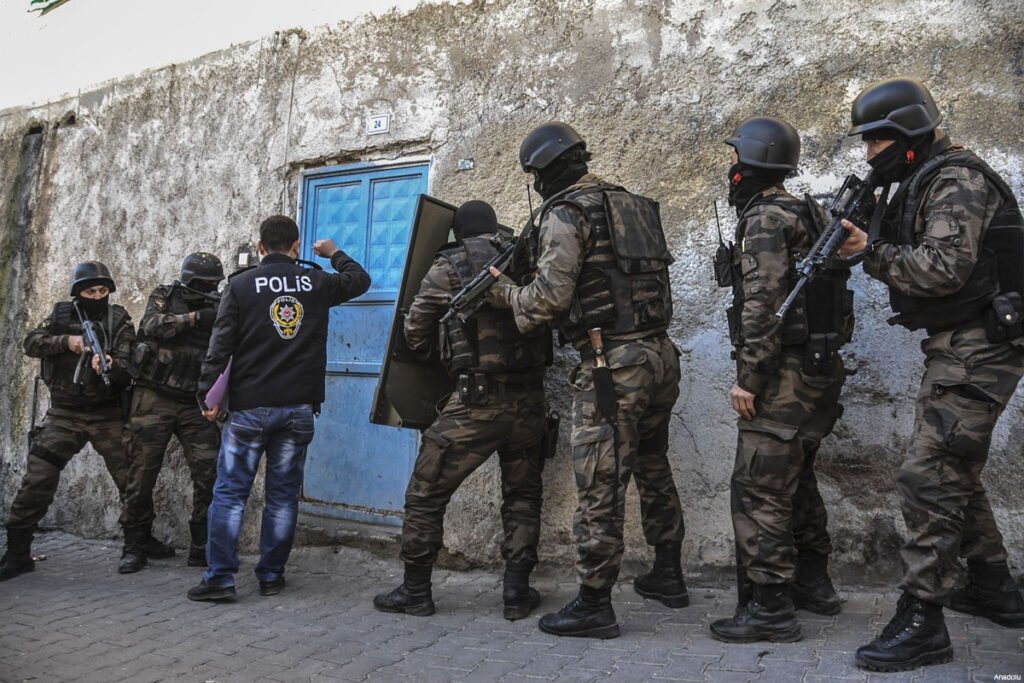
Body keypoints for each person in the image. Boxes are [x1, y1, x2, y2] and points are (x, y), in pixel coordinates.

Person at [837, 77, 1024, 671]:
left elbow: (942, 269)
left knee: (930, 476)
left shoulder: (956, 179)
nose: (871, 153)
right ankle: (993, 587)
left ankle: (923, 621)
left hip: (980, 345)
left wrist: (868, 252)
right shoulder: (928, 177)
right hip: (964, 343)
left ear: (910, 133)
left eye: (877, 140)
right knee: (954, 468)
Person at [488, 122, 686, 638]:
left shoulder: (567, 212)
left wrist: (505, 293)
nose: (536, 185)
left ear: (548, 170)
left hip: (611, 365)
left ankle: (594, 604)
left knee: (599, 482)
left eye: (535, 175)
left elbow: (547, 301)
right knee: (653, 465)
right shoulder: (633, 205)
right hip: (660, 355)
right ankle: (668, 575)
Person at [708, 117, 854, 644]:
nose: (730, 168)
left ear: (749, 163)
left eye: (734, 158)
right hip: (819, 370)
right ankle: (813, 585)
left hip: (783, 375)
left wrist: (749, 377)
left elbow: (763, 304)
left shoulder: (765, 218)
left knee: (759, 488)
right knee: (799, 479)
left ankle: (770, 607)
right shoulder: (807, 211)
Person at [373, 200, 552, 621]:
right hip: (530, 401)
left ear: (459, 233)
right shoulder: (530, 258)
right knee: (523, 497)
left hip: (476, 402)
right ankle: (517, 593)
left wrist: (437, 355)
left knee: (426, 493)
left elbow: (416, 328)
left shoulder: (450, 265)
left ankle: (416, 590)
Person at [186, 215, 370, 601]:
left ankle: (220, 580)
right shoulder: (316, 281)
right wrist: (334, 252)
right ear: (296, 246)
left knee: (230, 494)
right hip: (298, 408)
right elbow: (360, 279)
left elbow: (220, 346)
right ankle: (271, 576)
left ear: (260, 247)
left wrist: (207, 396)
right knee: (283, 497)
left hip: (250, 408)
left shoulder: (240, 285)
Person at [1, 262, 142, 580]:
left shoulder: (118, 320)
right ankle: (17, 553)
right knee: (37, 480)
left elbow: (128, 364)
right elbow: (31, 343)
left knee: (132, 481)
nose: (98, 296)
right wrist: (67, 342)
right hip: (64, 415)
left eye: (103, 291)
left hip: (107, 415)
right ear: (79, 292)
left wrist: (110, 364)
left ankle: (137, 544)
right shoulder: (60, 315)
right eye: (90, 291)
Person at [117, 252, 225, 574]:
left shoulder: (221, 305)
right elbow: (151, 326)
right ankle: (135, 545)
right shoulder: (165, 295)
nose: (209, 289)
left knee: (210, 472)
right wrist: (195, 318)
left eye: (213, 284)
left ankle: (201, 544)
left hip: (196, 402)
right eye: (203, 284)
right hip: (154, 397)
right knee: (140, 474)